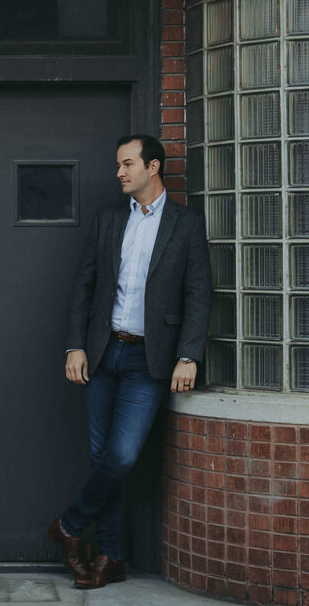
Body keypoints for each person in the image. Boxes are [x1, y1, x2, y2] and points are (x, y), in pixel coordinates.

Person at [47, 133, 211, 589]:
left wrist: (188, 355)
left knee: (120, 456)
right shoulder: (108, 220)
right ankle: (112, 558)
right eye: (119, 165)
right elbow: (84, 286)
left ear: (152, 167)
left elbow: (199, 293)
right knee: (103, 456)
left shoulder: (185, 224)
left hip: (148, 359)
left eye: (127, 164)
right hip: (102, 352)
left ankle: (67, 527)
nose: (119, 172)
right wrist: (74, 345)